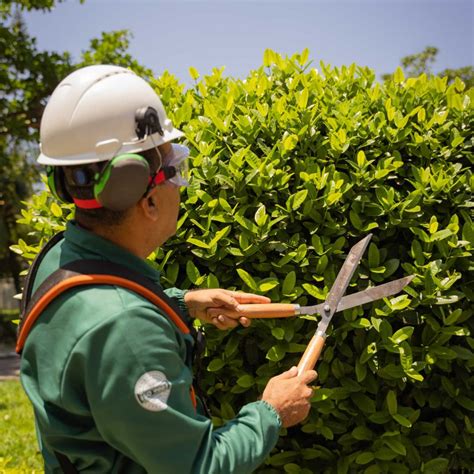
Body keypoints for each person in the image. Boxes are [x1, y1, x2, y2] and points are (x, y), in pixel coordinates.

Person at [19, 65, 317, 473]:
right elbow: (199, 466)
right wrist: (271, 412)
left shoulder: (60, 258)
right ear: (149, 200)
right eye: (175, 169)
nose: (181, 185)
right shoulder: (126, 329)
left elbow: (89, 323)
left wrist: (181, 303)